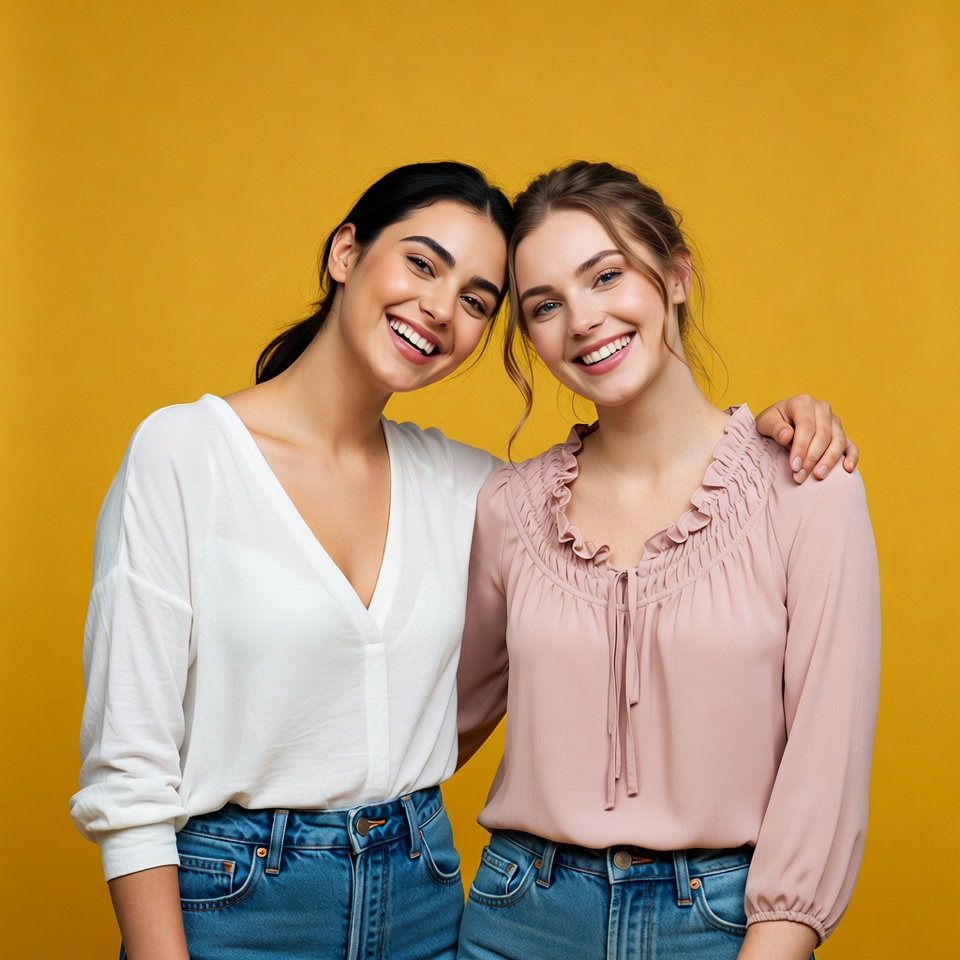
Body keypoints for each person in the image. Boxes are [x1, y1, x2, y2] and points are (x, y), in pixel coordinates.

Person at [70, 160, 855, 960]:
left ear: (676, 275)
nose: (441, 308)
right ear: (345, 252)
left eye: (478, 300)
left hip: (421, 895)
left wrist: (780, 433)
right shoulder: (191, 454)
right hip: (260, 897)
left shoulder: (473, 489)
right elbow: (131, 763)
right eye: (421, 263)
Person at [456, 161, 880, 960]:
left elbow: (827, 759)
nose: (583, 319)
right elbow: (432, 724)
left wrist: (779, 937)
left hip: (719, 923)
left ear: (676, 276)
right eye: (545, 305)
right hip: (517, 915)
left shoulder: (806, 485)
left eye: (605, 275)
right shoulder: (507, 507)